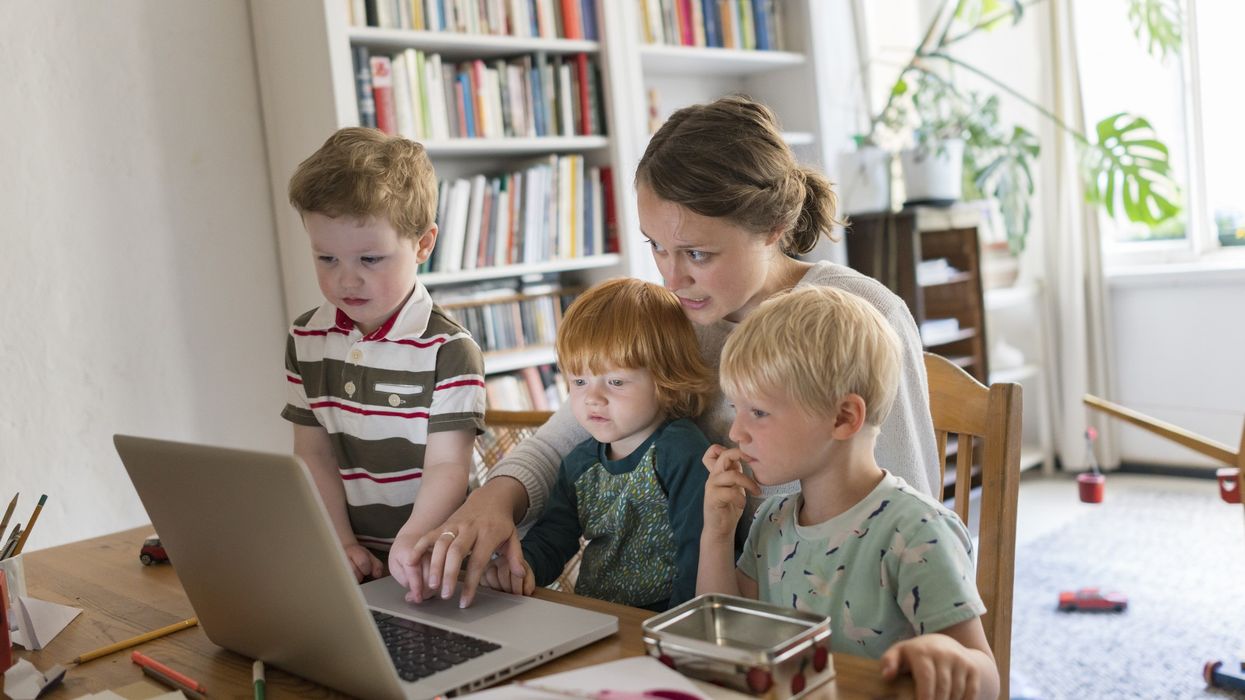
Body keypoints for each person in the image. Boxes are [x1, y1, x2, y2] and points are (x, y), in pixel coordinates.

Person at [408, 95, 938, 608]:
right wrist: (492, 500)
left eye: (697, 254)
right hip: (710, 612)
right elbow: (561, 439)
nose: (671, 276)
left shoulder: (862, 318)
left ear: (773, 229)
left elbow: (913, 513)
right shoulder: (673, 319)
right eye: (656, 246)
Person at [698, 285, 998, 700]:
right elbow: (722, 639)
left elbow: (988, 680)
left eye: (759, 412)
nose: (736, 432)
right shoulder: (771, 522)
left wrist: (949, 657)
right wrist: (716, 533)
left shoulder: (917, 532)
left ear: (843, 417)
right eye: (736, 409)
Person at [282, 127, 485, 587]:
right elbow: (313, 455)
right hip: (350, 562)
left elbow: (448, 467)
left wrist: (411, 542)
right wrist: (339, 542)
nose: (346, 280)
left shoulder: (449, 351)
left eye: (370, 260)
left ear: (423, 244)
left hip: (435, 559)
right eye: (326, 259)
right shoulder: (305, 339)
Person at [480, 277, 714, 610]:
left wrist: (681, 626)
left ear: (667, 379)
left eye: (615, 381)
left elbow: (698, 549)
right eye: (579, 381)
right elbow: (554, 537)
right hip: (595, 613)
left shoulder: (680, 451)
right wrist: (521, 568)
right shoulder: (580, 463)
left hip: (664, 620)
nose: (592, 398)